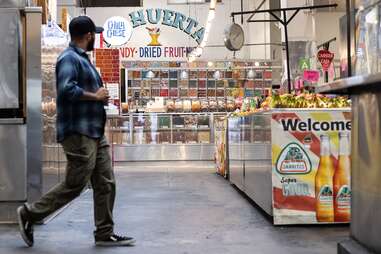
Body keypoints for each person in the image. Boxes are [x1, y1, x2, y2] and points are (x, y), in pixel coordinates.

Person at [17, 16, 135, 247]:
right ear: (89, 35)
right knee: (76, 184)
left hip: (93, 131)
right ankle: (30, 213)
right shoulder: (69, 58)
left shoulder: (82, 58)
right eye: (95, 34)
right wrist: (96, 96)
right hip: (79, 132)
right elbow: (66, 89)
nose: (95, 38)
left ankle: (104, 231)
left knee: (105, 182)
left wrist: (98, 98)